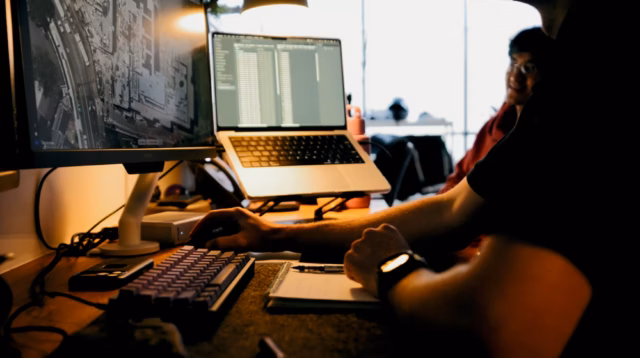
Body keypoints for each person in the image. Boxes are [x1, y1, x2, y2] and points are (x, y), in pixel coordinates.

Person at [191, 0, 629, 356]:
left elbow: (495, 322)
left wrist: (392, 266)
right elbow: (452, 207)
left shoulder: (598, 66)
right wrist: (275, 235)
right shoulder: (577, 63)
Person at [438, 27, 554, 194]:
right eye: (513, 64)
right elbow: (460, 175)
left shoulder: (542, 138)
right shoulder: (494, 126)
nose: (515, 76)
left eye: (529, 68)